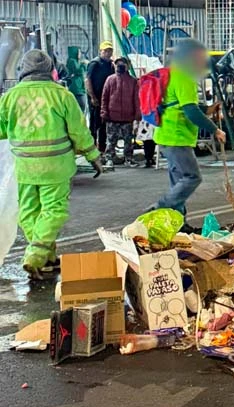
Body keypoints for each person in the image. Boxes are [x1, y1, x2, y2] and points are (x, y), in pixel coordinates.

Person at [0, 50, 102, 280]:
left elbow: (2, 129)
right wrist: (93, 156)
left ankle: (48, 257)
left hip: (25, 167)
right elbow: (78, 131)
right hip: (56, 166)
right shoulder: (62, 95)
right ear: (50, 69)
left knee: (28, 212)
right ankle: (36, 255)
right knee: (53, 210)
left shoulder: (10, 97)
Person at [150, 38, 226, 230]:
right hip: (176, 137)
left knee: (179, 181)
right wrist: (214, 130)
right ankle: (161, 207)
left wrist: (208, 110)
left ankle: (178, 224)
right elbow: (191, 112)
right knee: (192, 177)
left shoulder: (171, 75)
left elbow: (183, 105)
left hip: (164, 135)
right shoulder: (184, 78)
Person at [101, 57, 140, 168]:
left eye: (123, 64)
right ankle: (109, 158)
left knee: (128, 140)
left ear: (128, 66)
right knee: (111, 139)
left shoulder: (133, 81)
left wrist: (137, 114)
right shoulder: (110, 79)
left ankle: (129, 158)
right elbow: (104, 97)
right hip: (112, 116)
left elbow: (136, 99)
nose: (121, 67)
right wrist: (104, 112)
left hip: (128, 117)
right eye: (118, 65)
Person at [85, 41, 115, 156]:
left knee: (104, 124)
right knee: (94, 123)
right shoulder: (95, 63)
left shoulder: (110, 65)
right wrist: (92, 97)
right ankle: (92, 148)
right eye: (105, 51)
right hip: (96, 98)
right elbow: (88, 80)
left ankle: (102, 148)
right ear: (101, 51)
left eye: (110, 51)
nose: (108, 53)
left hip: (106, 99)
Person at [65, 46, 86, 112]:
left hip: (79, 87)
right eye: (79, 52)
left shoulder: (76, 61)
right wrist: (83, 65)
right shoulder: (72, 61)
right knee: (81, 105)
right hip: (76, 88)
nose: (80, 54)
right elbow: (78, 70)